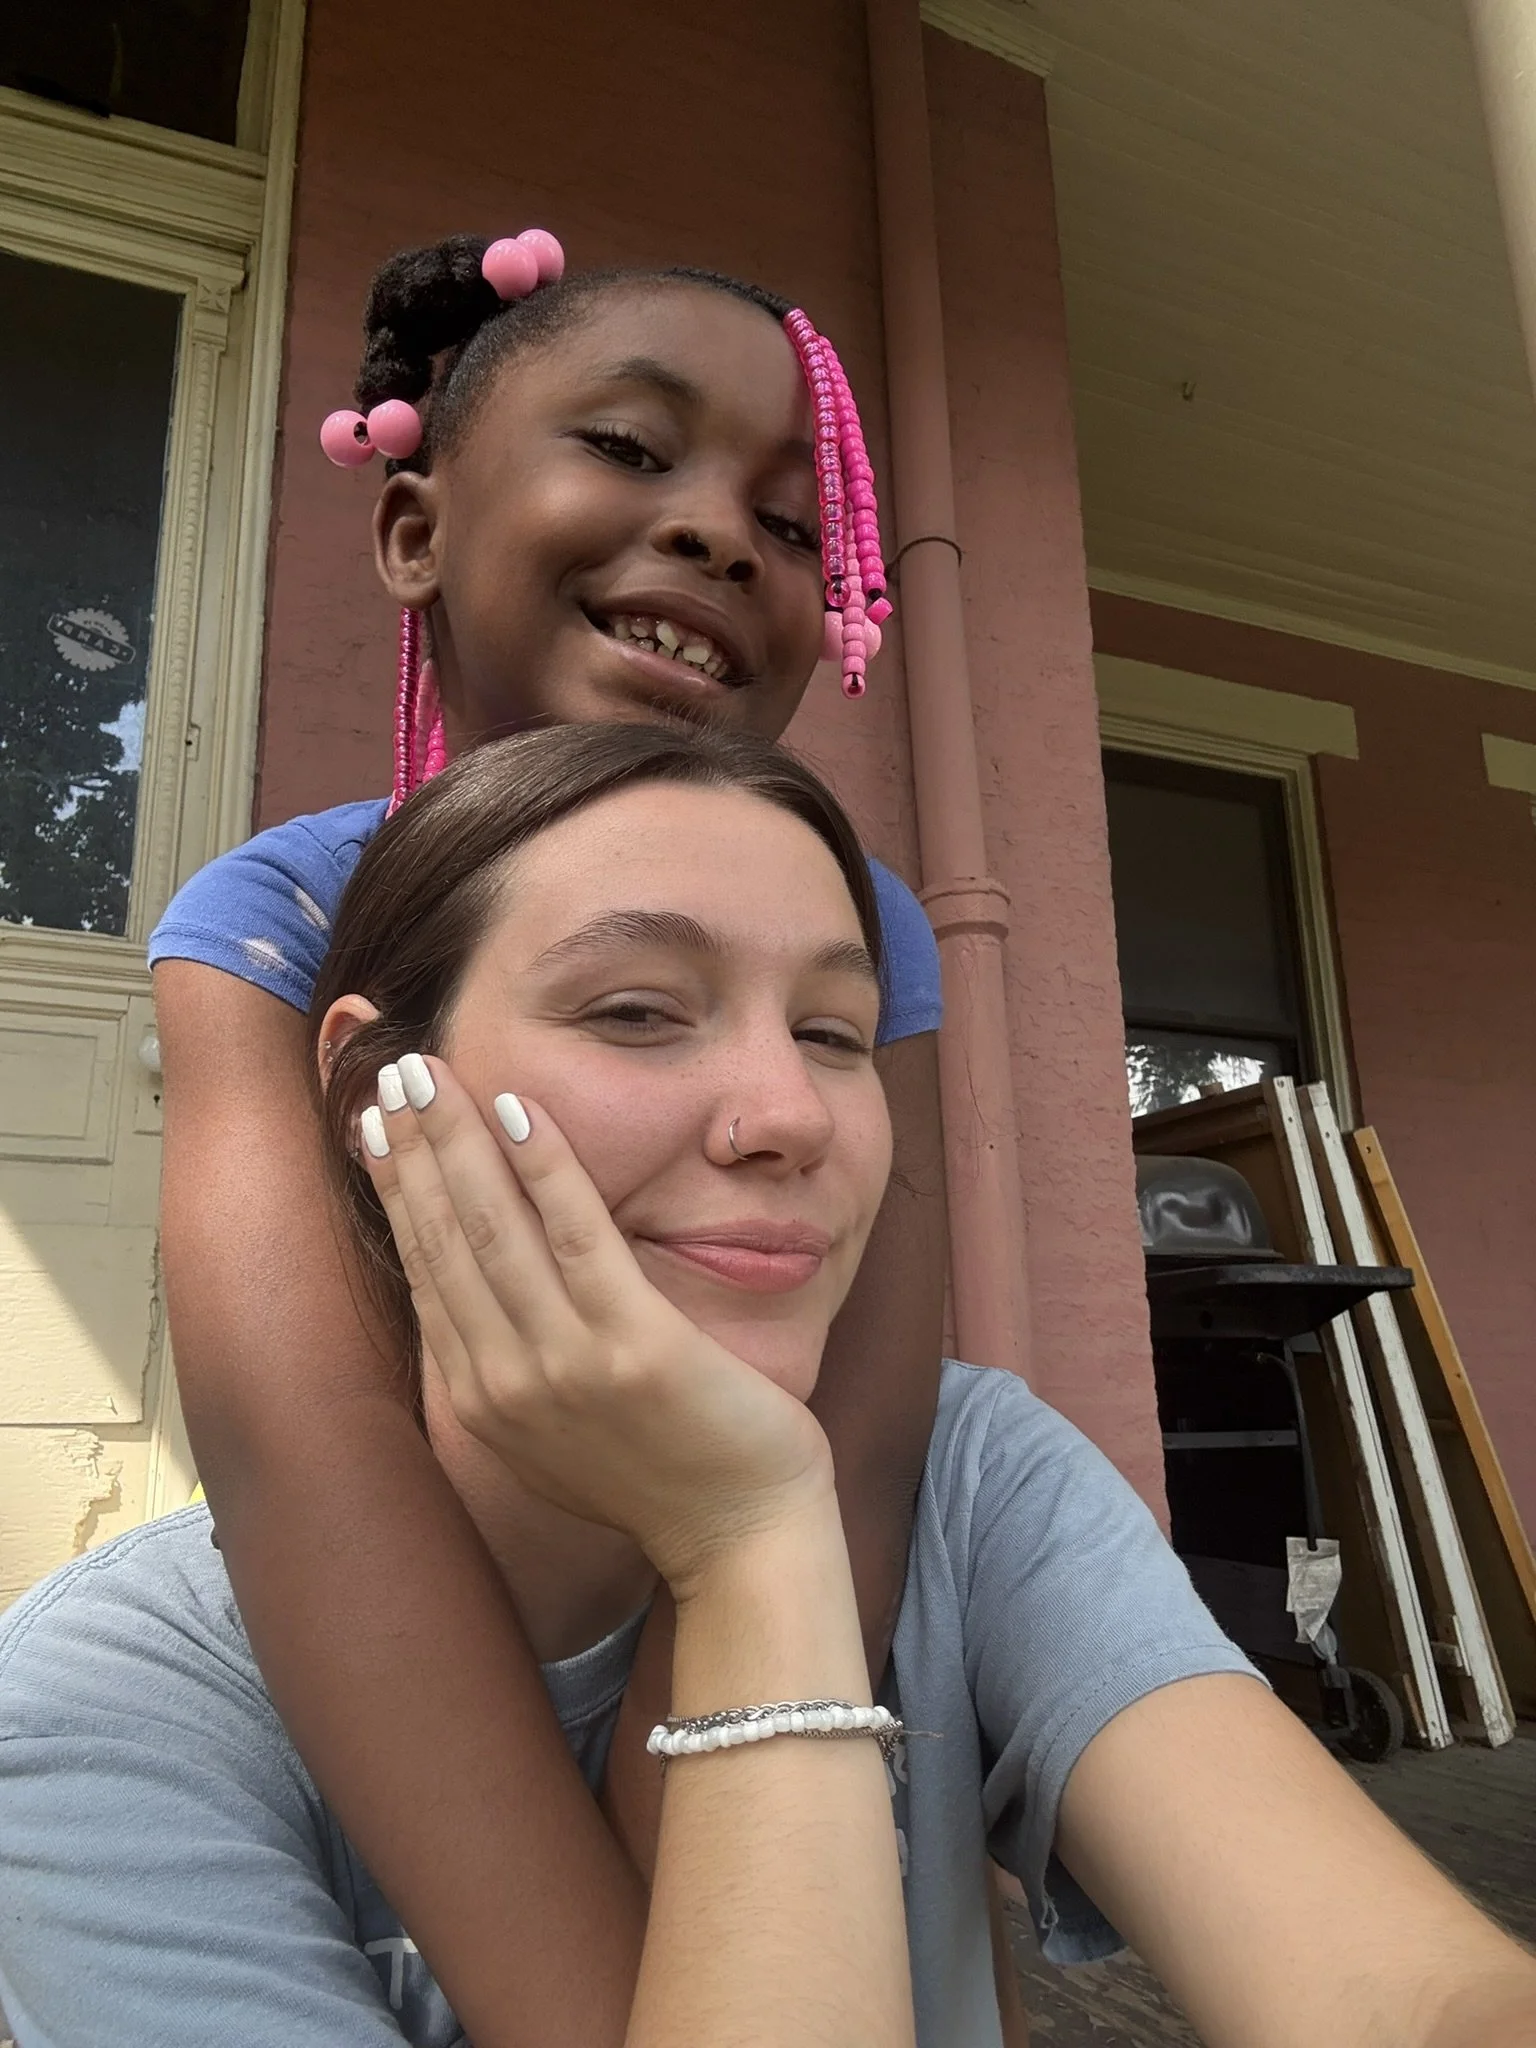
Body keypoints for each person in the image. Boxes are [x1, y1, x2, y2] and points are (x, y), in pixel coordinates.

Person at [3, 723, 1532, 2048]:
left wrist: (758, 1528)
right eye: (636, 1010)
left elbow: (1406, 1997)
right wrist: (751, 1538)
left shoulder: (977, 1483)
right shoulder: (104, 1717)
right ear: (373, 1094)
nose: (791, 1114)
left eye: (833, 1032)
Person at [146, 231, 952, 2044]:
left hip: (754, 1667)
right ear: (412, 530)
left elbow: (858, 1443)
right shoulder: (269, 923)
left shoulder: (860, 928)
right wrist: (608, 2003)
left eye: (793, 519)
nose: (723, 534)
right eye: (633, 448)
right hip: (389, 1710)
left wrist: (717, 1908)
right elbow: (307, 1459)